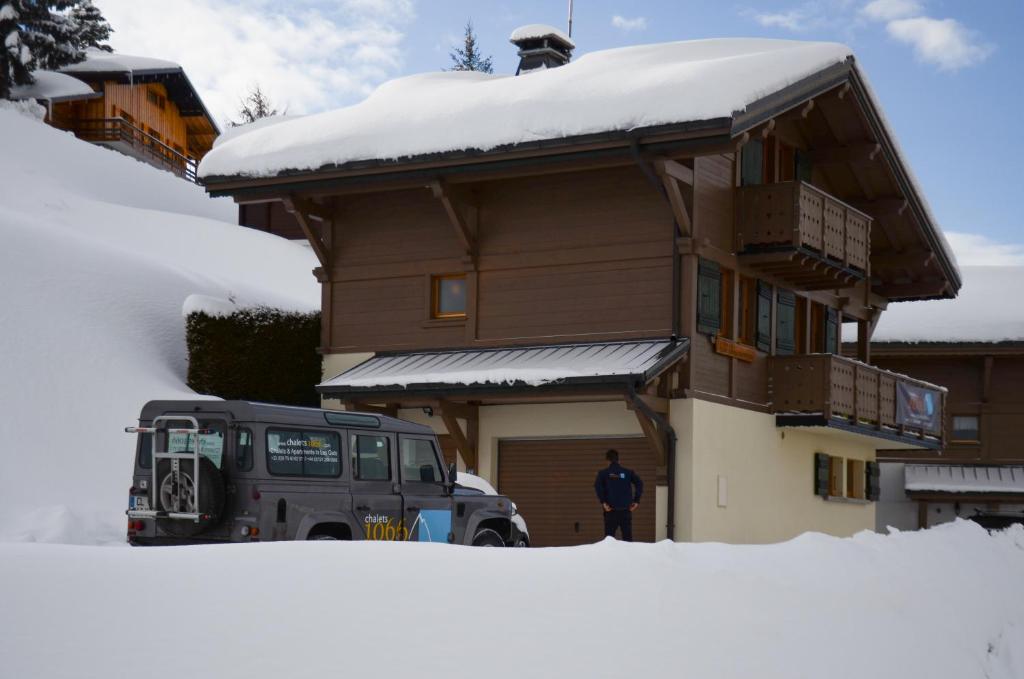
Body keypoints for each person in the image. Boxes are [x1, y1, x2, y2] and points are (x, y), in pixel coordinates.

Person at [594, 448, 643, 541]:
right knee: (627, 540)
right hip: (626, 511)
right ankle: (628, 555)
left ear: (607, 461)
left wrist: (603, 502)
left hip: (610, 511)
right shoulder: (628, 473)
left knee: (609, 540)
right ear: (619, 460)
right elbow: (639, 483)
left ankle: (609, 555)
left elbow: (598, 487)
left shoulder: (603, 473)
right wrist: (636, 501)